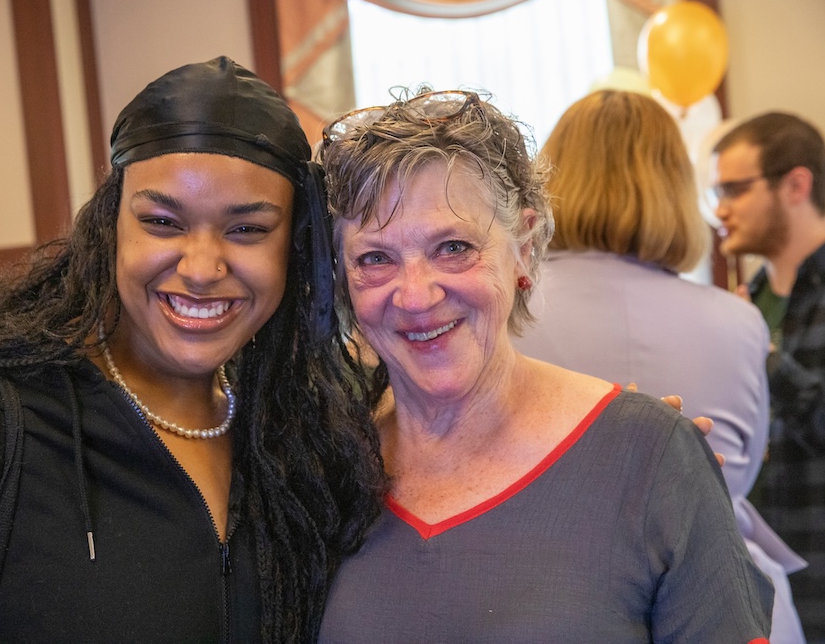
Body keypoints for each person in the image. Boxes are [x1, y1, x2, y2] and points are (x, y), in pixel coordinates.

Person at [0, 56, 384, 643]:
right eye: (162, 222)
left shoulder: (298, 445)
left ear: (293, 250)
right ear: (111, 227)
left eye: (247, 229)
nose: (201, 269)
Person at [315, 88, 774, 642]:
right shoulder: (319, 472)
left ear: (525, 250)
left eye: (454, 247)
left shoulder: (649, 456)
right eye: (375, 258)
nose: (415, 296)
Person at [514, 90, 806, 643]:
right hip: (736, 604)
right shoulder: (740, 323)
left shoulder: (506, 313)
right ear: (676, 188)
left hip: (555, 600)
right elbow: (741, 475)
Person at [712, 111, 825, 644]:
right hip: (764, 599)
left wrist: (763, 357)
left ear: (796, 185)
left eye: (734, 189)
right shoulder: (750, 301)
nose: (719, 209)